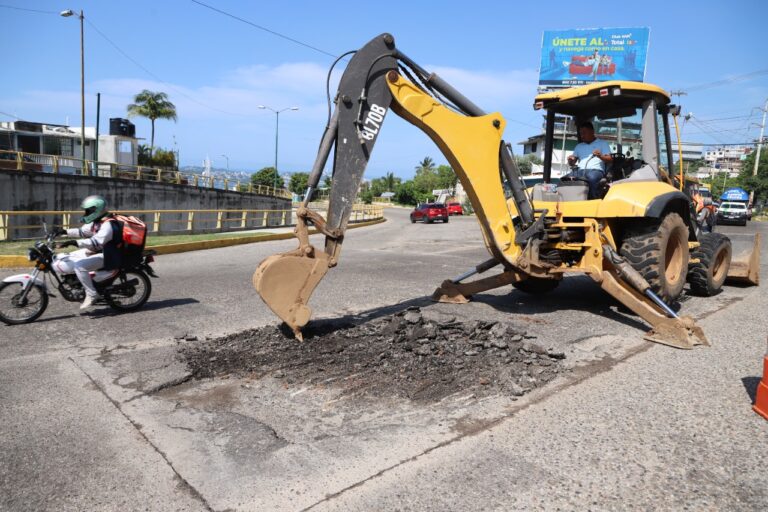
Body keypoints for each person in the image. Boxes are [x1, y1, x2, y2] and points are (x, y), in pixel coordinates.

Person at [54, 195, 122, 309]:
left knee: (79, 266)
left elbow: (95, 242)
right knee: (69, 256)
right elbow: (82, 232)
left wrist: (73, 242)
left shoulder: (108, 224)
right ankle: (78, 282)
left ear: (97, 209)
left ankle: (92, 294)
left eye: (88, 210)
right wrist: (63, 231)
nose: (86, 213)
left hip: (110, 254)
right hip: (100, 250)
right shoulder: (97, 221)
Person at [566, 121, 613, 199]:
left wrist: (600, 156)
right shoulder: (579, 146)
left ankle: (593, 200)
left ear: (592, 132)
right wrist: (570, 160)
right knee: (564, 180)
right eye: (581, 133)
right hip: (579, 171)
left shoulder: (602, 143)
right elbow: (572, 163)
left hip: (596, 171)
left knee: (591, 178)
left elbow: (610, 159)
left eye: (584, 133)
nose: (582, 136)